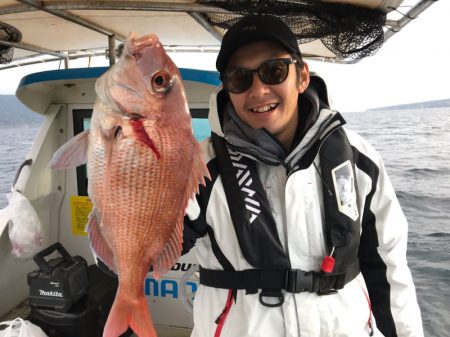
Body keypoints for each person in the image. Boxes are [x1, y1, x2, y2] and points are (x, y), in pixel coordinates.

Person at [182, 14, 424, 337]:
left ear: (302, 77)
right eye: (240, 79)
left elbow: (390, 273)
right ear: (228, 89)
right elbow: (132, 253)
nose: (258, 90)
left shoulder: (359, 160)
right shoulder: (198, 168)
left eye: (273, 70)